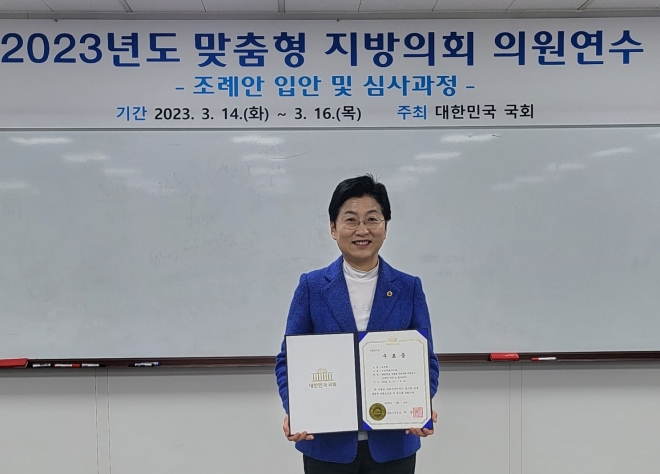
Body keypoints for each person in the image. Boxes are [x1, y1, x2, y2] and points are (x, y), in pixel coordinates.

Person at [275, 174, 440, 474]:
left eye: (372, 219)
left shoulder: (408, 288)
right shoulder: (311, 287)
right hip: (327, 447)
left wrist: (420, 404)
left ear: (385, 227)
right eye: (351, 220)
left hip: (393, 447)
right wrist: (296, 409)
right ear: (333, 228)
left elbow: (425, 361)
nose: (362, 230)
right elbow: (289, 361)